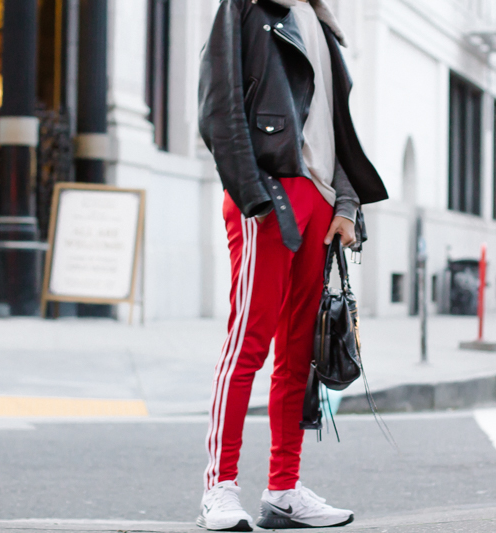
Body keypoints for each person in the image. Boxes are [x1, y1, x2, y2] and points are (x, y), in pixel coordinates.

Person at [197, 0, 387, 530]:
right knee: (249, 341)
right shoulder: (246, 9)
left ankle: (283, 488)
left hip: (321, 204)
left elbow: (338, 130)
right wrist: (253, 194)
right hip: (271, 198)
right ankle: (220, 488)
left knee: (298, 352)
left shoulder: (323, 25)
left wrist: (347, 206)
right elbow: (220, 106)